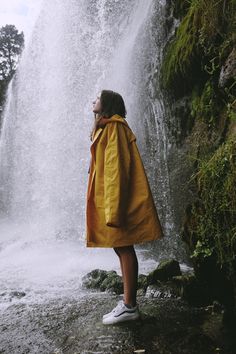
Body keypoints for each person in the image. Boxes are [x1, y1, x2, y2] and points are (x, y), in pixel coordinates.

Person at [86, 89, 164, 325]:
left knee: (123, 245)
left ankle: (130, 306)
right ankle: (128, 303)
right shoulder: (106, 127)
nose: (93, 100)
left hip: (117, 198)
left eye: (98, 98)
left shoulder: (115, 127)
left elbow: (115, 168)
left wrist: (114, 207)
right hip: (111, 197)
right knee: (121, 246)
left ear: (107, 104)